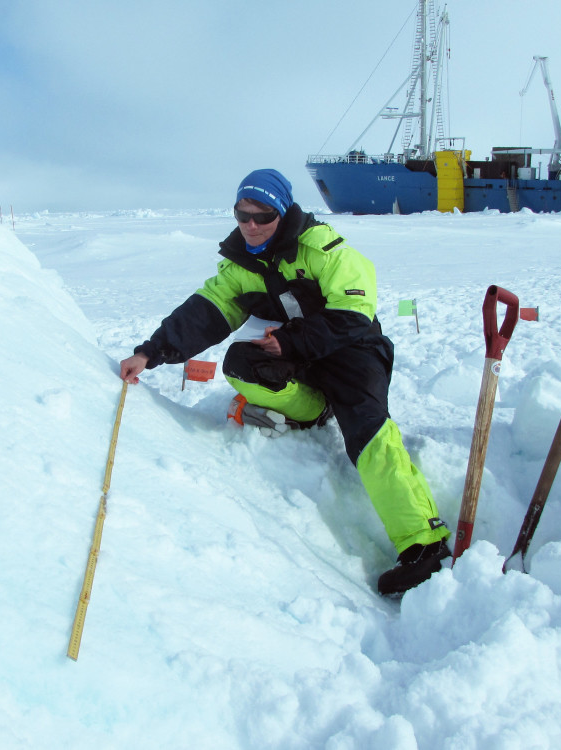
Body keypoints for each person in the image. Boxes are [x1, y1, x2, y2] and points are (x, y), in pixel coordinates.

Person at [119, 169, 451, 597]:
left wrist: (291, 341)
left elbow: (354, 313)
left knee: (367, 431)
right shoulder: (242, 264)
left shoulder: (323, 248)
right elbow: (206, 311)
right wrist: (150, 352)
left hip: (352, 348)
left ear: (283, 212)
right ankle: (312, 409)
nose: (252, 226)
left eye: (263, 216)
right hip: (296, 352)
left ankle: (424, 544)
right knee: (240, 364)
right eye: (243, 216)